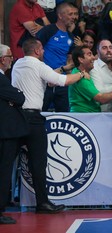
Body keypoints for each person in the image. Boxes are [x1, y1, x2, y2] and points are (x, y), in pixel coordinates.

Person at [11, 38, 86, 214]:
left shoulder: (18, 64)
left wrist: (65, 68)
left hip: (16, 117)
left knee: (7, 162)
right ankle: (42, 203)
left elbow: (50, 79)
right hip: (33, 120)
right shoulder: (38, 65)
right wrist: (81, 73)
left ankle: (5, 200)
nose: (44, 52)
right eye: (42, 49)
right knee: (38, 163)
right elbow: (62, 82)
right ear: (37, 51)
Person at [0, 45, 28, 224]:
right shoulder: (1, 79)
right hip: (5, 133)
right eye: (10, 56)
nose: (12, 58)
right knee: (3, 171)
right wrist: (15, 96)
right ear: (3, 59)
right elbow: (19, 98)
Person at [36, 2, 79, 112]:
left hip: (62, 82)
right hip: (44, 81)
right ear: (60, 15)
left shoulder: (71, 36)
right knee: (41, 113)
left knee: (64, 116)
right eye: (70, 14)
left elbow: (69, 61)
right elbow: (35, 52)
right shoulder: (48, 31)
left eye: (75, 14)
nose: (74, 17)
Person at [69, 46, 112, 112]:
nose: (93, 57)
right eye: (89, 55)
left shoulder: (80, 72)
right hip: (84, 118)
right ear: (81, 59)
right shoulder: (81, 78)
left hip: (89, 116)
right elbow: (101, 98)